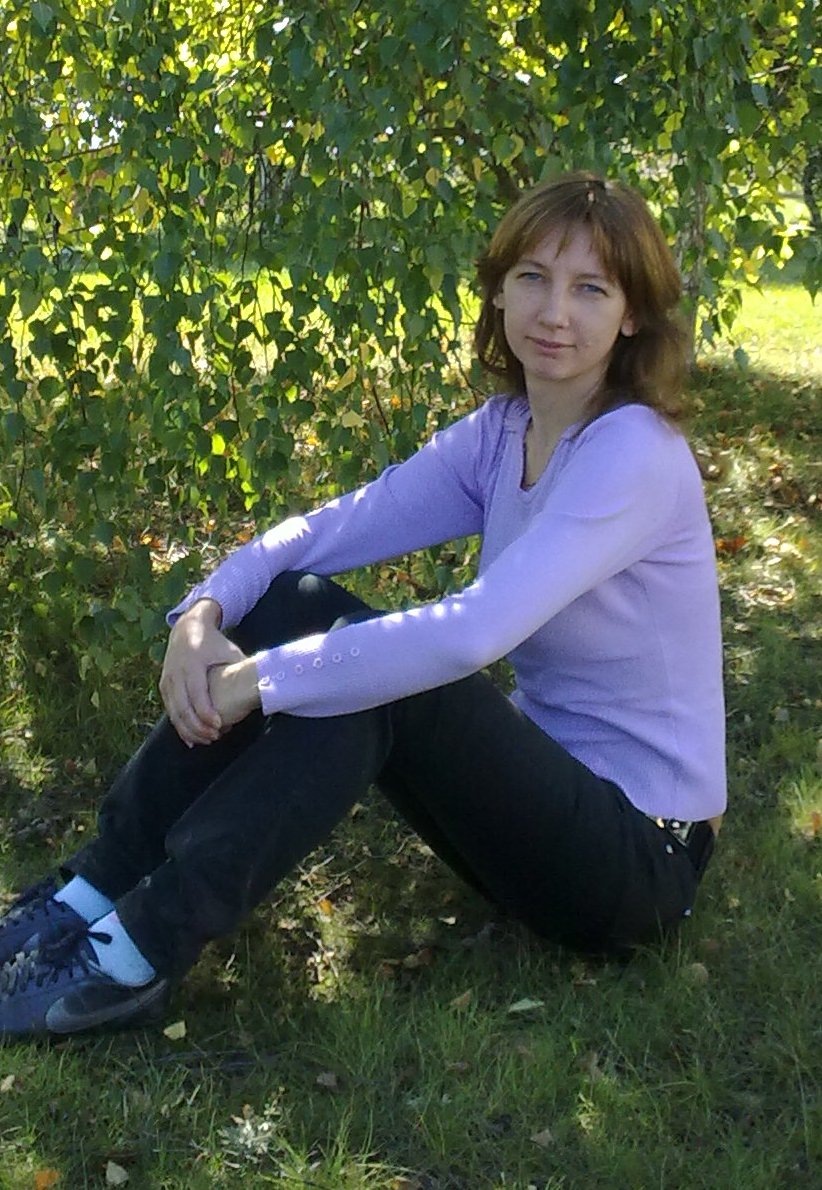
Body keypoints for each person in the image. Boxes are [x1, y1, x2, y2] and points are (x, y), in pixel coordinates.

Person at [0, 172, 726, 1040]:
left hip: (639, 862)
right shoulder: (503, 432)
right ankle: (91, 890)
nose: (554, 312)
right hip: (539, 816)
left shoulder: (634, 453)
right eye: (533, 277)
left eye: (591, 289)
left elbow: (471, 634)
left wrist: (260, 681)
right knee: (295, 600)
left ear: (633, 315)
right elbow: (324, 533)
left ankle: (137, 951)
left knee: (386, 676)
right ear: (499, 290)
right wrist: (203, 613)